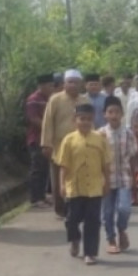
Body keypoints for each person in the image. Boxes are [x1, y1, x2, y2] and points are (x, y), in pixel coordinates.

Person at [56, 103, 111, 265]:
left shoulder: (100, 139)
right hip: (74, 187)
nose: (85, 122)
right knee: (71, 220)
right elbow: (63, 165)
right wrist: (62, 185)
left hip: (94, 188)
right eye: (82, 119)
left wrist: (107, 182)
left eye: (88, 119)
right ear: (75, 120)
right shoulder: (69, 140)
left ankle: (90, 253)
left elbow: (106, 164)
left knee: (92, 221)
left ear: (93, 120)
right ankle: (74, 239)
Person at [41, 69, 90, 218]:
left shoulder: (85, 101)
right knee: (58, 179)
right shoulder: (55, 99)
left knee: (78, 176)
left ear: (81, 84)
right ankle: (61, 209)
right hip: (59, 146)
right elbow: (47, 122)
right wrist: (46, 144)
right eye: (70, 82)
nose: (73, 85)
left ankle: (77, 207)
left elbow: (90, 122)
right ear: (64, 84)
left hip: (80, 145)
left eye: (76, 82)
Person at [99, 96, 137, 254]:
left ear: (122, 114)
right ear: (104, 114)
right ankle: (111, 239)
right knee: (107, 212)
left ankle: (122, 230)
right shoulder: (100, 134)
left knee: (124, 209)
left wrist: (133, 175)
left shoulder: (128, 133)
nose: (114, 115)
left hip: (124, 178)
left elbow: (132, 155)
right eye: (110, 112)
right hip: (106, 179)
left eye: (117, 112)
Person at [25, 74, 55, 208]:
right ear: (42, 86)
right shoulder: (33, 99)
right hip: (36, 138)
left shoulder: (50, 99)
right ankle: (35, 198)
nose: (52, 88)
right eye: (50, 86)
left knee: (45, 168)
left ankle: (42, 196)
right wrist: (48, 128)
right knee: (37, 168)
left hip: (48, 139)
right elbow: (33, 119)